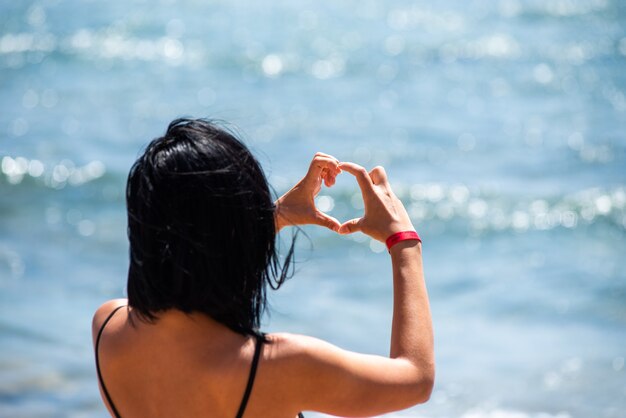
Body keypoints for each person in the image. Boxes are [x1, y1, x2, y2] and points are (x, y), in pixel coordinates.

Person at [92, 118, 434, 418]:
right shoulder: (278, 367)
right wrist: (403, 241)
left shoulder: (108, 329)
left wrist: (277, 216)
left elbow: (196, 262)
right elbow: (416, 379)